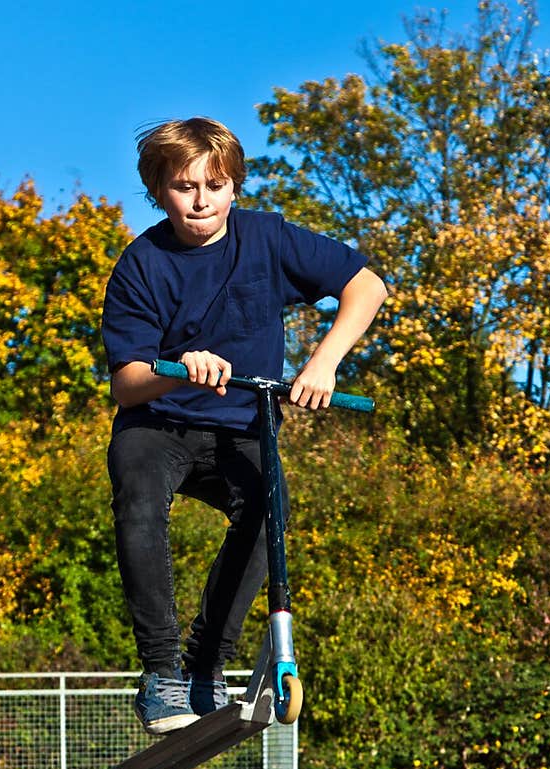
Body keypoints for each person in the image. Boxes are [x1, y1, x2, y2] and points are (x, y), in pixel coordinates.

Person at [101, 116, 387, 735]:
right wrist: (178, 371)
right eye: (183, 187)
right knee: (141, 503)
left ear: (234, 187)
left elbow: (366, 285)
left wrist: (324, 363)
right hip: (157, 422)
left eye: (214, 184)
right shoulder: (141, 263)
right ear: (158, 192)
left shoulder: (268, 239)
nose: (200, 201)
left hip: (241, 424)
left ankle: (207, 664)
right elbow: (127, 382)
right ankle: (162, 673)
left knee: (267, 511)